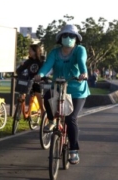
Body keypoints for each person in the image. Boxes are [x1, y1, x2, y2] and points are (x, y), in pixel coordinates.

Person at [34, 24, 90, 165]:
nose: (68, 38)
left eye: (72, 36)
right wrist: (40, 74)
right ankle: (52, 121)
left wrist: (83, 73)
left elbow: (82, 63)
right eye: (65, 35)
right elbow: (47, 65)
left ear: (76, 38)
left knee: (71, 118)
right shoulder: (54, 52)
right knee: (46, 97)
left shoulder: (79, 50)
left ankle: (73, 150)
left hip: (77, 90)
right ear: (60, 38)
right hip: (58, 88)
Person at [16, 44, 45, 115]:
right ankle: (21, 110)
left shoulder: (41, 61)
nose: (29, 52)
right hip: (28, 81)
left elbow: (44, 72)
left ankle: (42, 110)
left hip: (37, 82)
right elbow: (19, 70)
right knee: (22, 91)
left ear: (36, 51)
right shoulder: (28, 61)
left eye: (30, 50)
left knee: (37, 93)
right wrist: (21, 73)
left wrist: (41, 77)